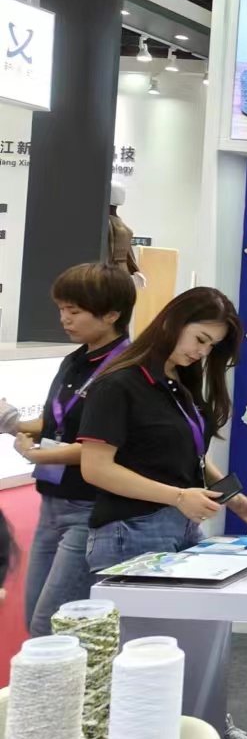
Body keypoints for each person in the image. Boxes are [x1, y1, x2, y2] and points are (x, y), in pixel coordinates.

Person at [77, 286, 247, 739]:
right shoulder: (118, 385)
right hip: (131, 534)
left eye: (210, 347)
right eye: (200, 339)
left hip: (181, 531)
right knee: (146, 659)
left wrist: (233, 497)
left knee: (201, 639)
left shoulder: (176, 384)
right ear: (172, 322)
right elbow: (96, 469)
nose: (201, 352)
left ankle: (205, 732)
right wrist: (178, 497)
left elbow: (191, 456)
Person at [12, 263, 135, 635]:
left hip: (90, 509)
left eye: (74, 311)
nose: (64, 319)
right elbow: (56, 423)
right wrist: (16, 426)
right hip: (52, 502)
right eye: (62, 309)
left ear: (111, 314)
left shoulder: (126, 370)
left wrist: (41, 455)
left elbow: (103, 445)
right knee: (36, 619)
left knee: (51, 625)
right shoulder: (75, 360)